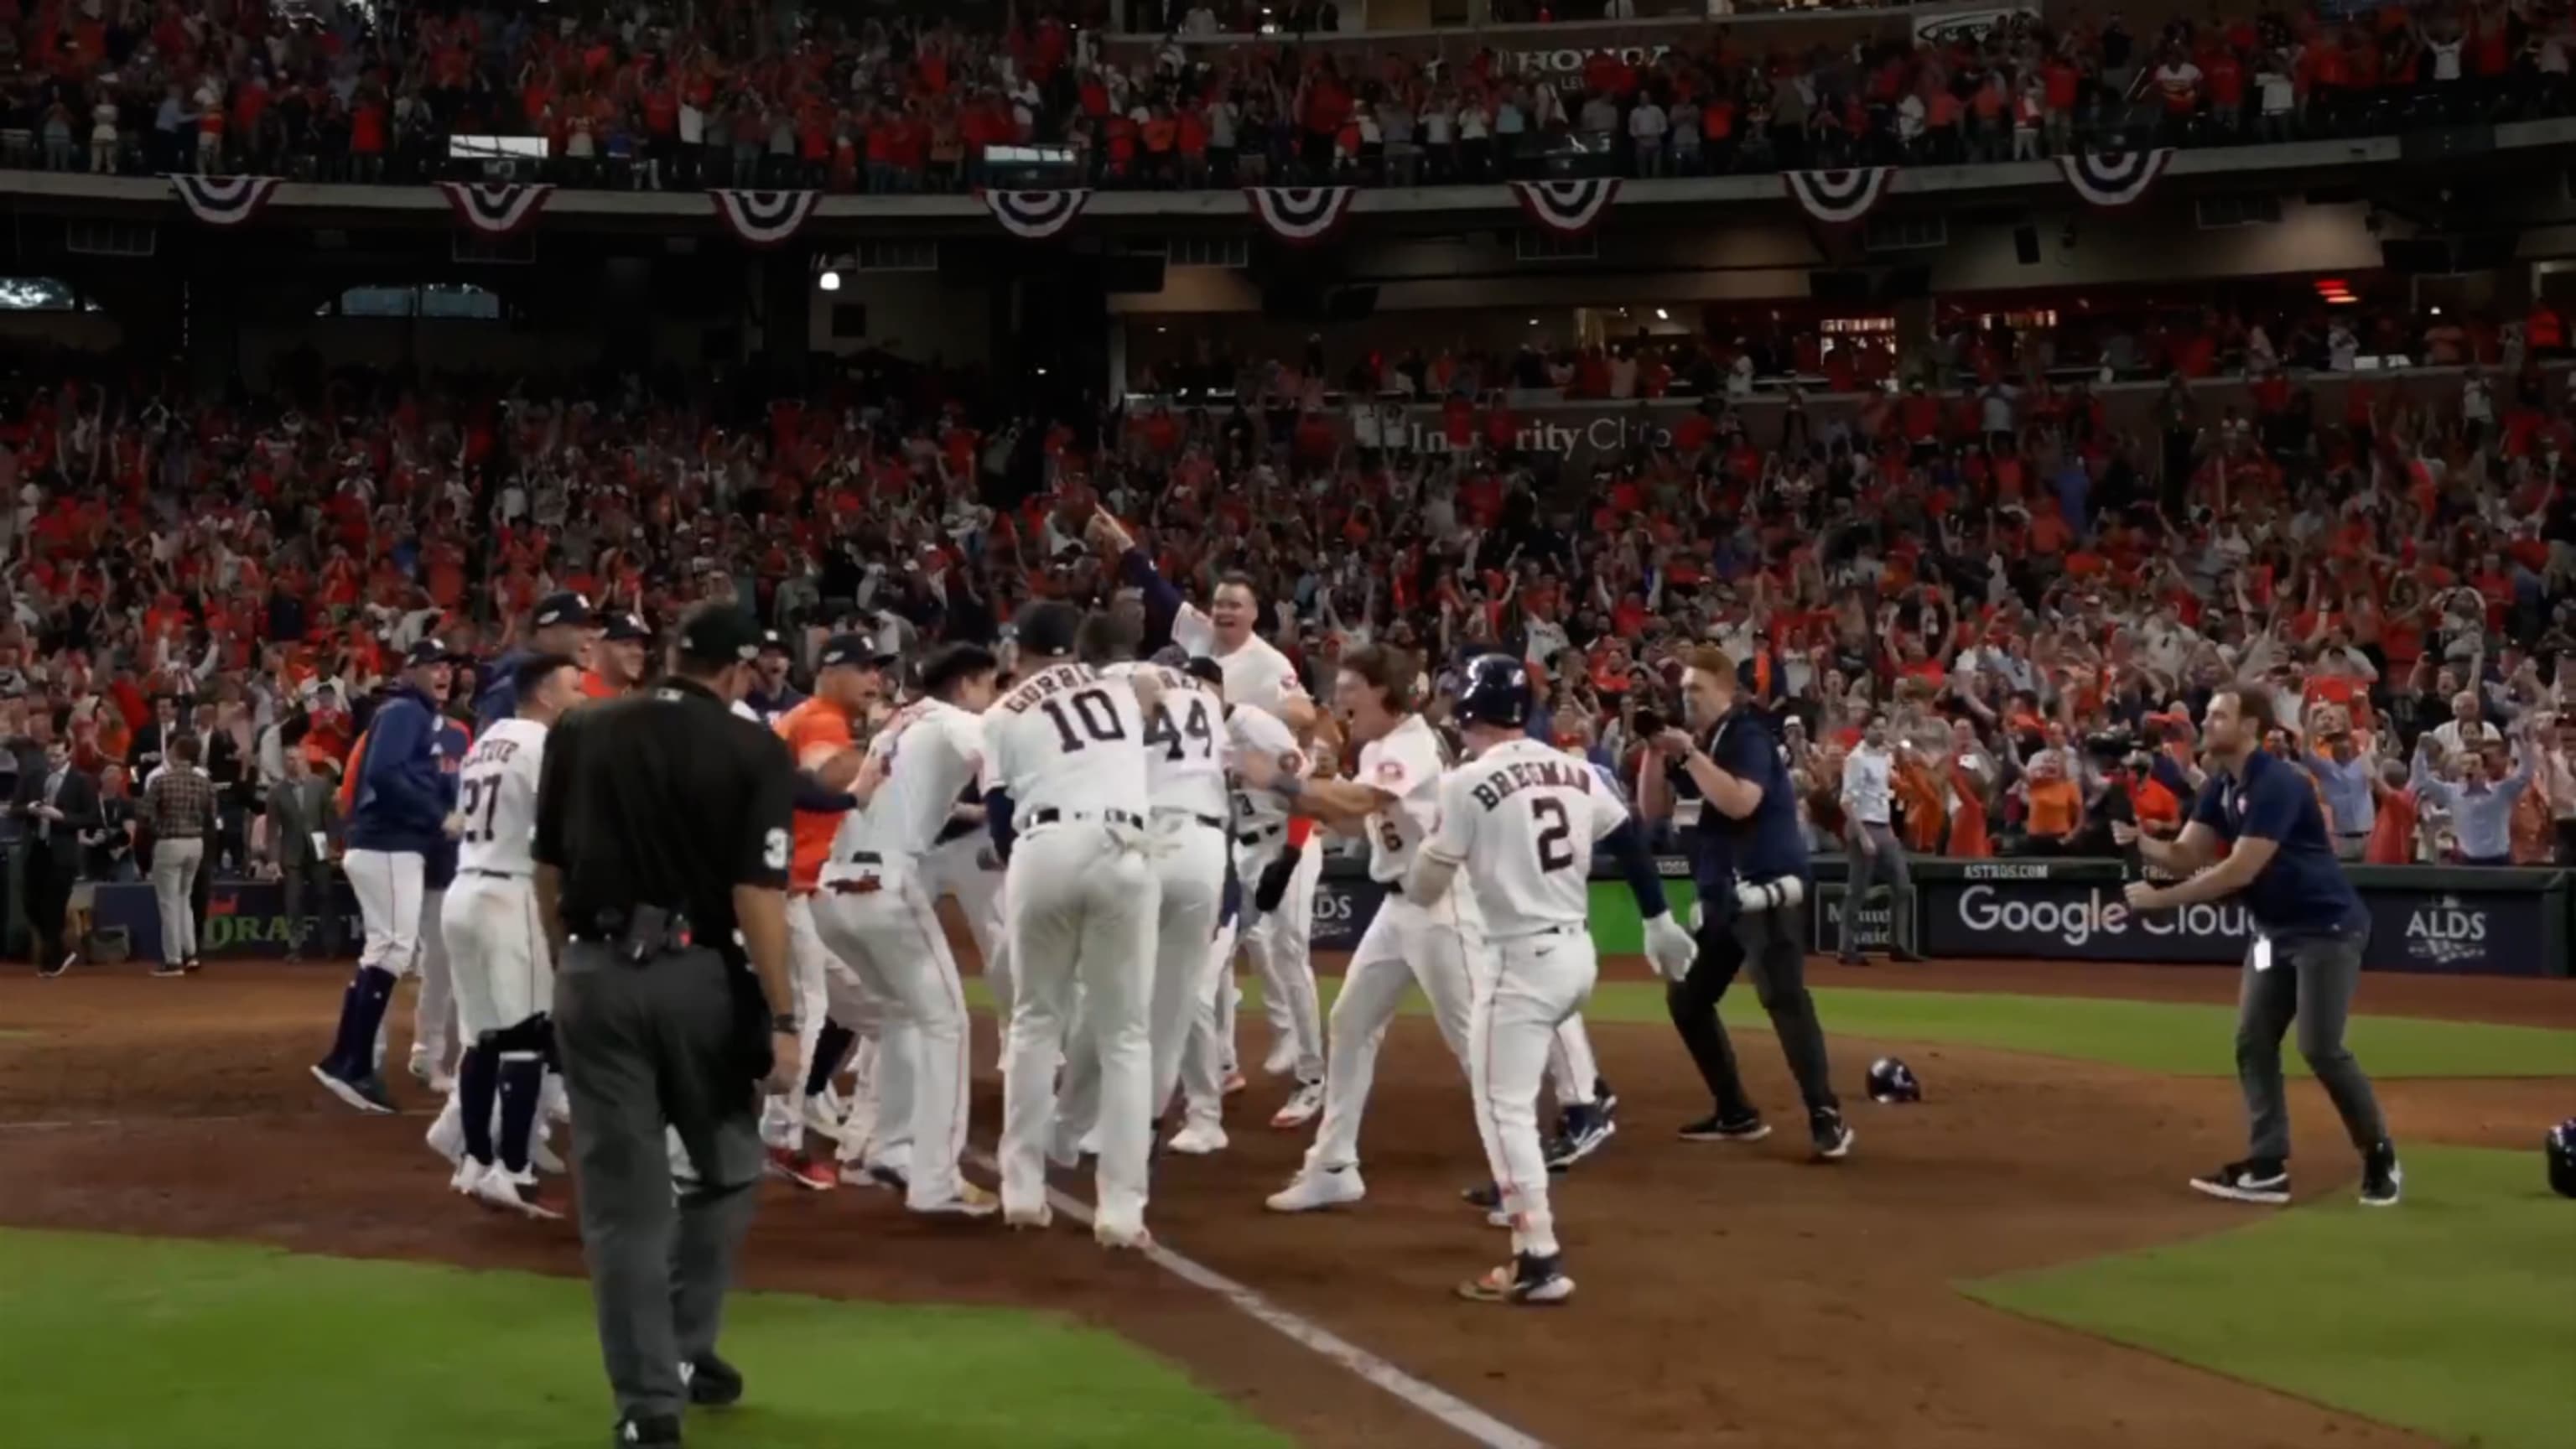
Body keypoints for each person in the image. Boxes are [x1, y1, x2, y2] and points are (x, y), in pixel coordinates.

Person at [532, 602, 801, 1448]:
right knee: (726, 1167)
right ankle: (684, 1346)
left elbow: (547, 866)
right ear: (734, 671)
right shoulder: (756, 746)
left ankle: (648, 1405)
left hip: (594, 970)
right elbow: (757, 894)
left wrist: (570, 964)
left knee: (621, 1207)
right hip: (697, 979)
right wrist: (787, 1015)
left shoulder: (581, 728)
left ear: (672, 656)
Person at [1404, 654, 1693, 1306]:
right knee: (1519, 1094)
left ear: (1469, 713)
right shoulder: (1576, 768)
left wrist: (1429, 844)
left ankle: (1536, 1255)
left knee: (1501, 1106)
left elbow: (1425, 888)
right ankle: (1532, 1185)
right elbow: (1630, 840)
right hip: (1575, 959)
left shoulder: (1465, 782)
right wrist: (1658, 920)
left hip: (1516, 963)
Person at [2118, 682, 2401, 1208]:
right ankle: (2267, 1165)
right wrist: (2139, 843)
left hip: (2324, 929)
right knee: (2253, 1041)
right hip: (2273, 933)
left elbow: (2237, 869)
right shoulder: (2219, 787)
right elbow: (2185, 854)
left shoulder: (2278, 783)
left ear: (2251, 726)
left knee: (2320, 1046)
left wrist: (2161, 901)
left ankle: (2379, 1154)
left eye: (2220, 716)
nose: (2207, 723)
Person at [1253, 645, 1488, 1213]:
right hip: (1399, 906)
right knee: (1352, 1022)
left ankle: (1523, 1168)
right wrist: (1306, 786)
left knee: (1474, 1043)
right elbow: (1357, 819)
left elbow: (1363, 799)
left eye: (1352, 685)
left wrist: (1287, 785)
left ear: (1385, 691)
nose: (1340, 696)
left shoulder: (1411, 742)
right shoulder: (1383, 746)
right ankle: (1334, 1164)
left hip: (1441, 906)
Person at [981, 600, 1164, 1247]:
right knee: (1125, 1038)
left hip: (1045, 843)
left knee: (1035, 1023)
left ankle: (1022, 1192)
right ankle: (1122, 1211)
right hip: (1124, 845)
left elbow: (1000, 819)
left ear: (1017, 650)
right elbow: (1153, 694)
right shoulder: (1120, 682)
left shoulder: (1001, 711)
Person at [1639, 647, 1855, 1161]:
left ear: (1726, 692)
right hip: (1721, 897)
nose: (1686, 698)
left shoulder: (1746, 736)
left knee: (1783, 999)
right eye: (1683, 689)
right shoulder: (1704, 744)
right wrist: (1653, 749)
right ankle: (1735, 1110)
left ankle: (1826, 1115)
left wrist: (1688, 753)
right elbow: (1651, 812)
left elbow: (1741, 802)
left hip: (1766, 891)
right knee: (1688, 999)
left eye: (1696, 690)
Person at [812, 641, 1002, 1217]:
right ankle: (935, 1179)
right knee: (946, 1024)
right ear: (968, 684)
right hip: (886, 885)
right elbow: (996, 764)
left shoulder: (900, 720)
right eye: (988, 686)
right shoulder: (954, 720)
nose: (989, 699)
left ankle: (889, 1147)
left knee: (898, 1017)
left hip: (833, 889)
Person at [1052, 620, 1226, 1170]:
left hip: (1141, 839)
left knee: (1106, 995)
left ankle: (1068, 1125)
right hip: (1205, 845)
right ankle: (1138, 1135)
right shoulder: (1208, 696)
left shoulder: (1114, 681)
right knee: (1171, 1011)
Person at [433, 652, 582, 1218]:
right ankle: (514, 1172)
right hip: (509, 890)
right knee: (525, 1035)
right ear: (545, 694)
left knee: (483, 1038)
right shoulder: (544, 744)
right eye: (573, 686)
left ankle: (474, 1163)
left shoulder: (485, 740)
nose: (581, 696)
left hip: (464, 887)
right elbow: (555, 830)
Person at [766, 636, 899, 1190]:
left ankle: (858, 1136)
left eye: (879, 670)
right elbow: (826, 777)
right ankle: (781, 1137)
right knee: (804, 1011)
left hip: (789, 886)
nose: (875, 680)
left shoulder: (815, 716)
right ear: (830, 671)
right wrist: (883, 743)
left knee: (877, 1013)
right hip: (774, 887)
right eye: (864, 669)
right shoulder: (820, 718)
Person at [312, 640, 460, 1114]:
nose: (443, 673)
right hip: (389, 844)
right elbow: (384, 774)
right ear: (410, 671)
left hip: (385, 846)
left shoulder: (418, 717)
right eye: (432, 666)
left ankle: (344, 1059)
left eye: (448, 667)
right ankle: (352, 1065)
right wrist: (439, 815)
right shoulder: (404, 712)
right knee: (393, 950)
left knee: (385, 949)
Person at [1837, 712, 1925, 963]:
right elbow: (1846, 802)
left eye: (1883, 727)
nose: (1881, 732)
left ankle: (1898, 944)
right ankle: (1847, 948)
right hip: (1863, 825)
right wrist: (1863, 836)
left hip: (1884, 825)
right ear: (1864, 730)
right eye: (1876, 728)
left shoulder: (1884, 755)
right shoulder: (1856, 759)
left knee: (1903, 886)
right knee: (1858, 889)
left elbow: (1890, 784)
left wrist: (1903, 768)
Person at [15, 738, 101, 978]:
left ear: (68, 754)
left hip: (63, 852)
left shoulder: (82, 781)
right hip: (36, 848)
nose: (52, 761)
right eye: (49, 756)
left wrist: (62, 816)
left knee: (54, 906)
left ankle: (52, 959)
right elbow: (14, 808)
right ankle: (59, 951)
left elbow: (92, 818)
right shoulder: (34, 777)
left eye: (57, 756)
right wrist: (29, 809)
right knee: (30, 903)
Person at [141, 735, 216, 978]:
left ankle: (173, 960)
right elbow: (211, 817)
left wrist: (160, 829)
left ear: (176, 753)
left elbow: (145, 814)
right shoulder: (204, 783)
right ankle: (191, 953)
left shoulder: (162, 781)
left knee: (169, 902)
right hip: (196, 843)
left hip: (170, 842)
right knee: (184, 898)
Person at [477, 591, 598, 730]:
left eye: (592, 627)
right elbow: (492, 749)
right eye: (580, 627)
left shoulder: (562, 681)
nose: (590, 635)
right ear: (546, 631)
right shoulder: (510, 688)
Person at [264, 747, 340, 962]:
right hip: (292, 853)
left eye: (297, 759)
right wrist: (272, 859)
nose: (293, 763)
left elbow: (331, 821)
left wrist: (332, 848)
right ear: (284, 763)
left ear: (305, 761)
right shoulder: (276, 791)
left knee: (326, 897)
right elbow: (272, 828)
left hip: (320, 850)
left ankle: (331, 946)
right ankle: (295, 946)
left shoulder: (320, 785)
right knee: (293, 901)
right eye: (289, 759)